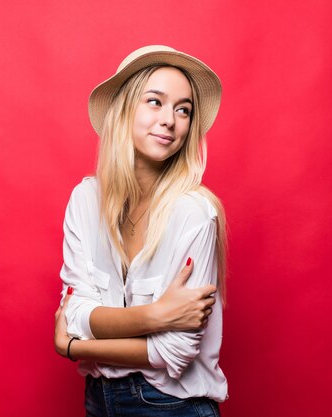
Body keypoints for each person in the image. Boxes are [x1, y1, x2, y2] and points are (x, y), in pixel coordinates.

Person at [54, 45, 228, 417]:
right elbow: (76, 313)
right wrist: (156, 317)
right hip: (99, 400)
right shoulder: (85, 200)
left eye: (183, 110)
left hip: (174, 406)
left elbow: (174, 352)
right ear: (124, 110)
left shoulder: (194, 213)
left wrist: (72, 347)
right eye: (155, 102)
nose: (171, 120)